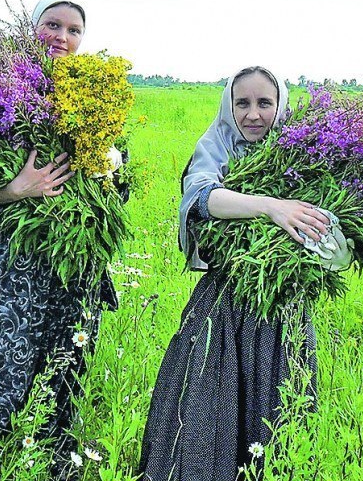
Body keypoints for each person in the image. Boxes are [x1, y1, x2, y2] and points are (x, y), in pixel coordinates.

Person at [137, 66, 351, 481]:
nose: (253, 114)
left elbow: (333, 237)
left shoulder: (306, 155)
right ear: (229, 107)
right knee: (207, 398)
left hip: (282, 302)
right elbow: (201, 196)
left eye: (264, 103)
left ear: (281, 107)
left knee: (278, 396)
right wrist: (272, 205)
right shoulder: (216, 146)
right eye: (243, 103)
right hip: (223, 304)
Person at [0, 0, 120, 477]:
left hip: (74, 271)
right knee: (1, 366)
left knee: (63, 370)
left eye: (73, 30)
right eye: (52, 25)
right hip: (13, 273)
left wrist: (108, 164)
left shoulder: (97, 95)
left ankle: (50, 466)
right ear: (32, 27)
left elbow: (118, 189)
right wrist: (16, 190)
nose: (62, 38)